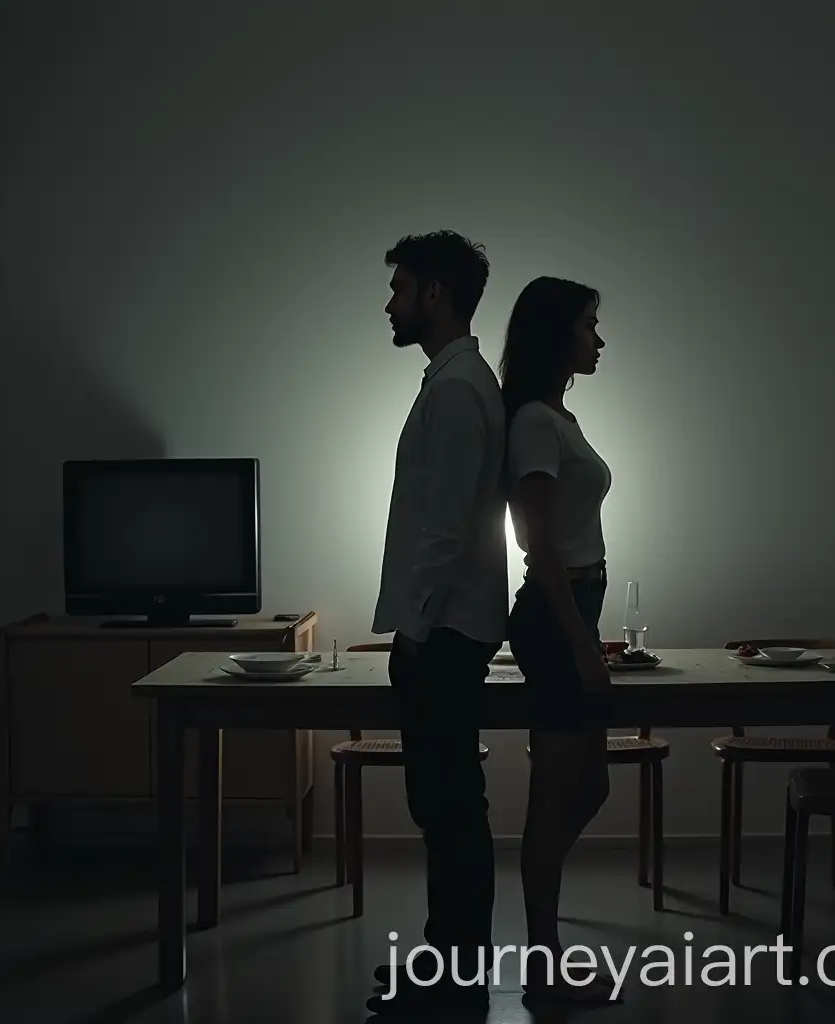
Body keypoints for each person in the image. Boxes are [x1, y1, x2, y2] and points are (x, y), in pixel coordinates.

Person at [367, 230, 508, 1017]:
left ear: (434, 294)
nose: (389, 302)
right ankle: (447, 975)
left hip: (445, 632)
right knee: (448, 808)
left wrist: (414, 630)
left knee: (449, 809)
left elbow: (446, 527)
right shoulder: (455, 383)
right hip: (447, 627)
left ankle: (452, 989)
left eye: (400, 286)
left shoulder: (456, 391)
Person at [499, 275, 618, 1003]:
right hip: (555, 615)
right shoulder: (537, 423)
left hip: (576, 610)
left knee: (591, 784)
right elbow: (535, 540)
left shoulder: (559, 419)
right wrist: (577, 641)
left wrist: (587, 632)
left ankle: (544, 938)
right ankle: (544, 964)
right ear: (557, 335)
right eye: (588, 325)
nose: (599, 339)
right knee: (556, 794)